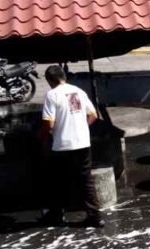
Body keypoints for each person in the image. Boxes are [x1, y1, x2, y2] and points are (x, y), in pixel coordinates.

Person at [38, 65, 104, 228]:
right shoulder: (78, 91)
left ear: (49, 80)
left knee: (58, 180)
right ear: (64, 77)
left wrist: (41, 136)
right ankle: (95, 217)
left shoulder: (52, 95)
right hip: (82, 142)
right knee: (86, 179)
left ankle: (57, 215)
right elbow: (93, 115)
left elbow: (49, 123)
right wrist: (82, 127)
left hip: (62, 145)